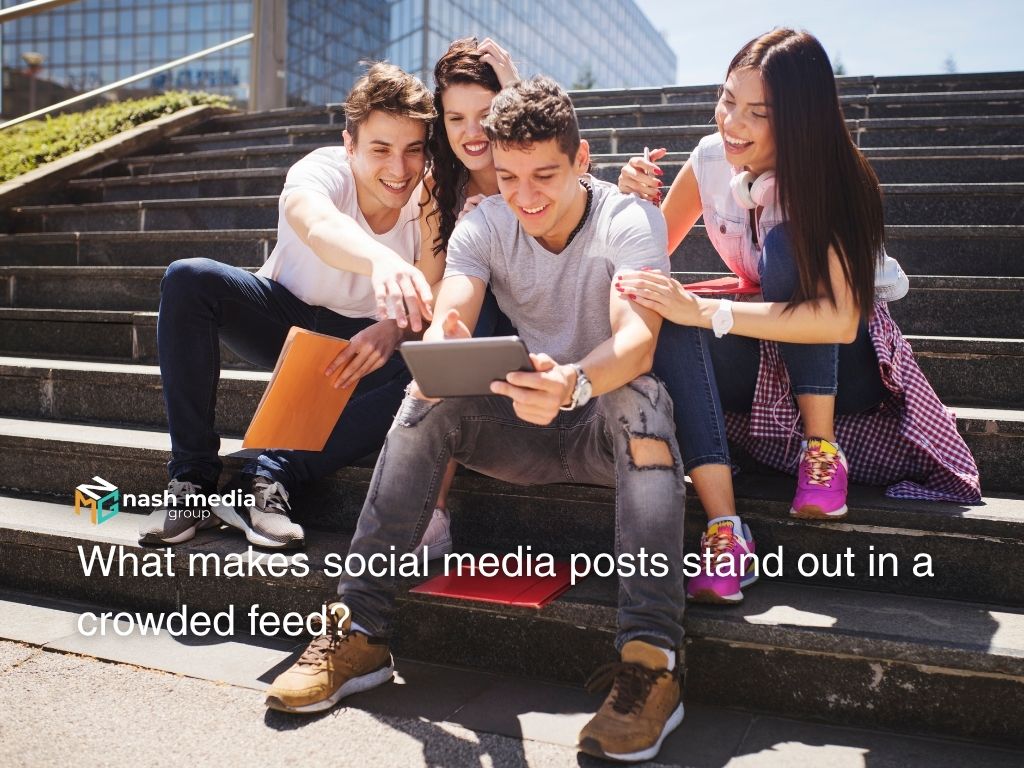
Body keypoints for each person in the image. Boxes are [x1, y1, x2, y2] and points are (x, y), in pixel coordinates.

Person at [266, 76, 688, 764]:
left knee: (643, 401)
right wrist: (443, 338)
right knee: (425, 397)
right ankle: (360, 629)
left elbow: (637, 340)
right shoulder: (485, 223)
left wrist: (574, 382)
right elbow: (453, 307)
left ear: (582, 161)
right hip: (518, 423)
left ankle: (652, 662)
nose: (525, 196)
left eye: (546, 175)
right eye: (511, 175)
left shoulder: (626, 220)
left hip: (594, 424)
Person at [616, 28, 981, 605]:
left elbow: (836, 322)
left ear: (797, 119)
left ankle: (821, 450)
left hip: (848, 362)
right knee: (664, 313)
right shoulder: (711, 160)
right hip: (764, 344)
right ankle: (727, 533)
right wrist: (631, 201)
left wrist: (708, 309)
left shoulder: (830, 181)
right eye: (728, 100)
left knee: (788, 247)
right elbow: (649, 249)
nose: (732, 123)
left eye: (757, 112)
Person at [138, 63, 437, 549]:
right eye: (381, 149)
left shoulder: (431, 196)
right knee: (189, 278)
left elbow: (436, 292)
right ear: (350, 145)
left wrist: (393, 330)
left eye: (413, 150)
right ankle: (191, 481)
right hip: (282, 317)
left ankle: (266, 477)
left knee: (434, 369)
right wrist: (382, 260)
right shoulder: (318, 170)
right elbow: (318, 228)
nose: (399, 170)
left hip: (361, 344)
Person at [411, 37, 520, 559]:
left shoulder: (535, 164)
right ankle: (430, 514)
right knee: (455, 326)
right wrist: (468, 248)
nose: (471, 132)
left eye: (487, 114)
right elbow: (434, 285)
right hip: (477, 331)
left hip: (546, 330)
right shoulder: (441, 188)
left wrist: (518, 89)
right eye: (455, 119)